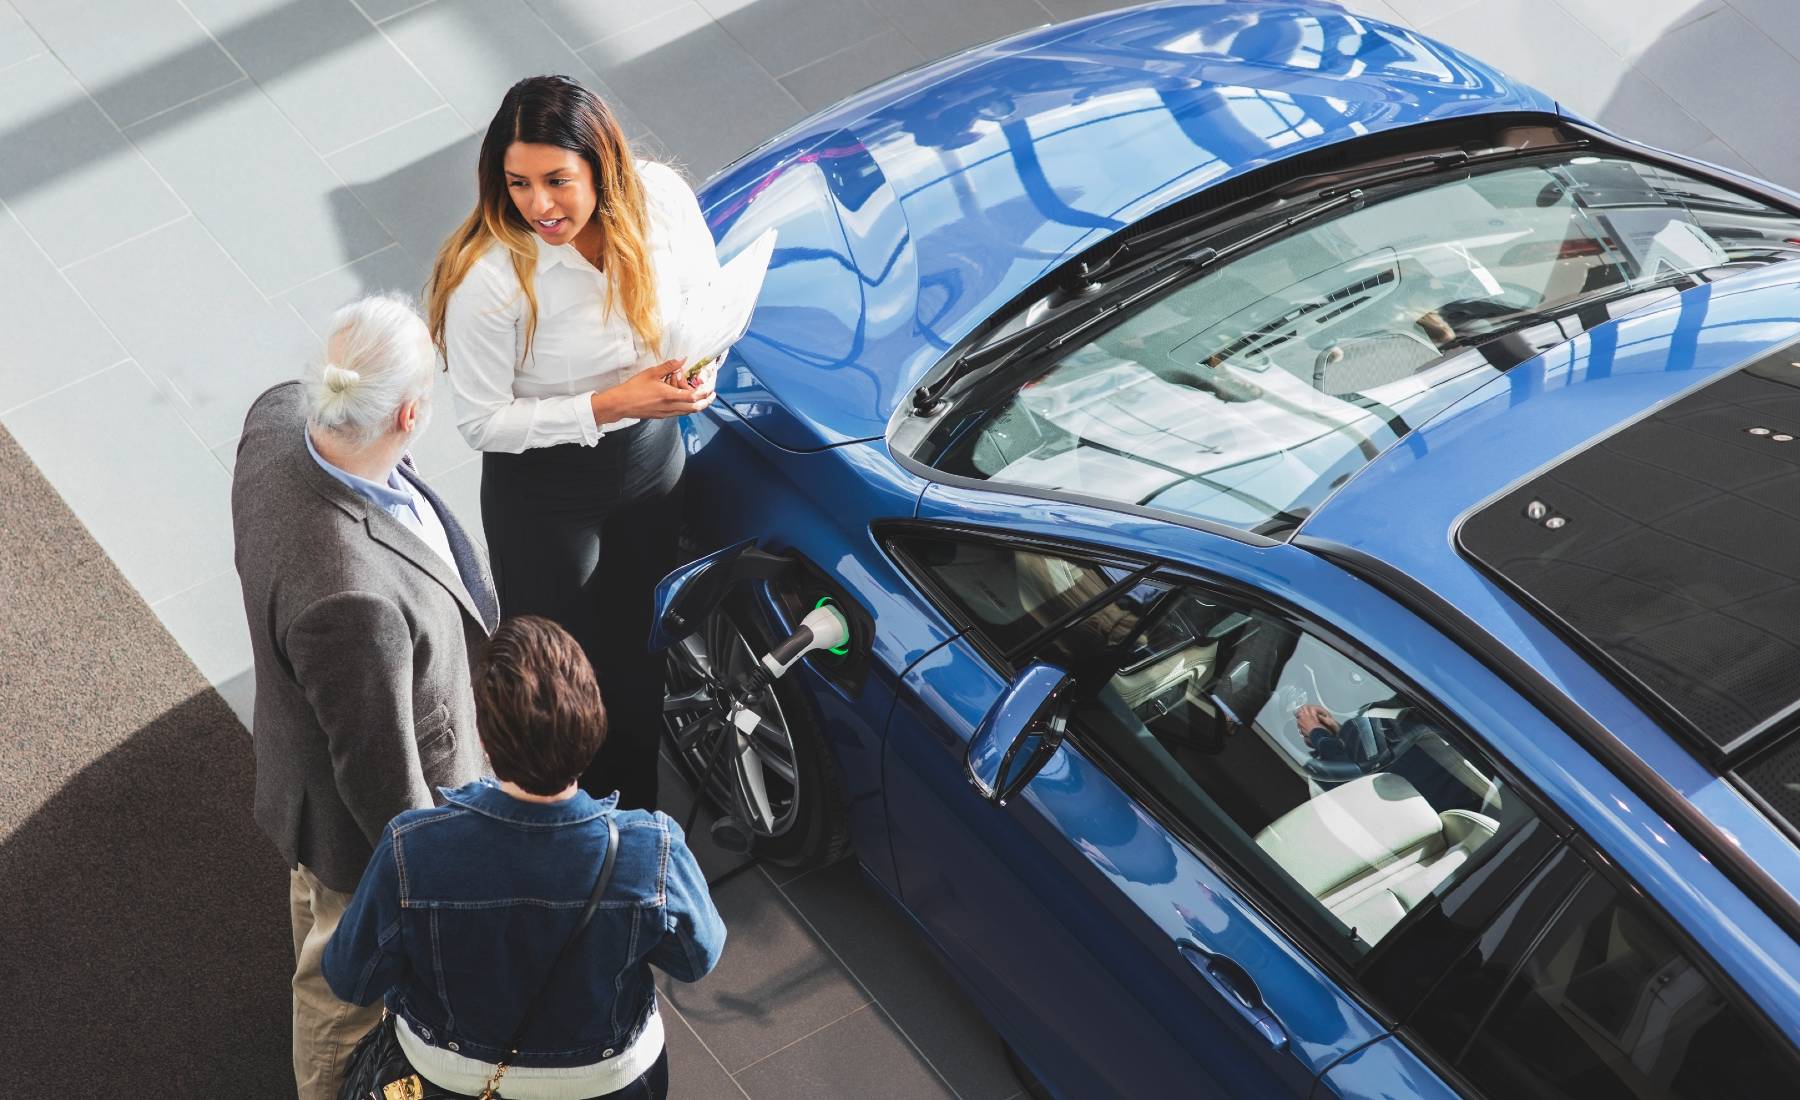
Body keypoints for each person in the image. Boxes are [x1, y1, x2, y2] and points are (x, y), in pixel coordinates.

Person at [427, 74, 720, 812]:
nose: (539, 205)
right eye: (518, 183)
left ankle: (641, 816)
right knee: (560, 679)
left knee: (639, 652)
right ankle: (568, 822)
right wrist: (613, 401)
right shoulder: (490, 280)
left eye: (557, 180)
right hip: (546, 495)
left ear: (602, 166)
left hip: (652, 459)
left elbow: (705, 297)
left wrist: (703, 366)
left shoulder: (660, 203)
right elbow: (481, 422)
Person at [231, 293, 499, 1100]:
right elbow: (379, 777)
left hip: (297, 753)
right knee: (342, 989)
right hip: (354, 830)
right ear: (411, 413)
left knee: (315, 914)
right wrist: (432, 880)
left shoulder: (278, 419)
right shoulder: (352, 600)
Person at [323, 615, 726, 1099]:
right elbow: (696, 958)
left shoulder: (412, 850)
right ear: (594, 721)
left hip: (450, 1080)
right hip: (611, 1081)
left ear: (486, 740)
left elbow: (351, 976)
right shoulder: (652, 849)